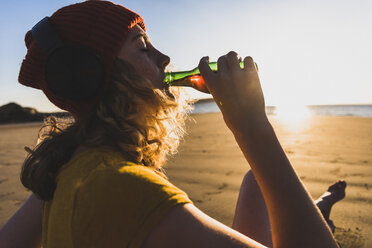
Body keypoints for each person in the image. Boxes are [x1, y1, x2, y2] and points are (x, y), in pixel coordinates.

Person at [0, 1, 343, 247]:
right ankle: (315, 212)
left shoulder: (67, 166)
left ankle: (316, 208)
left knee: (257, 181)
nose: (165, 58)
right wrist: (252, 126)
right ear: (89, 76)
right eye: (143, 47)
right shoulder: (121, 188)